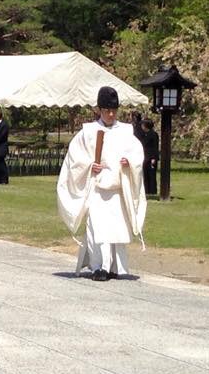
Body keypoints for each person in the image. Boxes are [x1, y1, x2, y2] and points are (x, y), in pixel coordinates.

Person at [57, 86, 146, 281]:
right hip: (97, 189)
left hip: (117, 189)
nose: (111, 114)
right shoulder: (88, 132)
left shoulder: (126, 131)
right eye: (107, 111)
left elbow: (137, 155)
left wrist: (129, 163)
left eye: (114, 110)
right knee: (98, 228)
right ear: (99, 110)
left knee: (117, 228)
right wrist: (90, 166)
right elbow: (75, 159)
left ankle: (116, 267)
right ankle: (98, 267)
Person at [141, 119, 159, 197]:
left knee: (151, 175)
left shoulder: (153, 134)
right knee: (145, 174)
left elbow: (155, 147)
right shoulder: (144, 134)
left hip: (151, 157)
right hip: (145, 157)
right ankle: (146, 190)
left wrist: (154, 158)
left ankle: (152, 191)